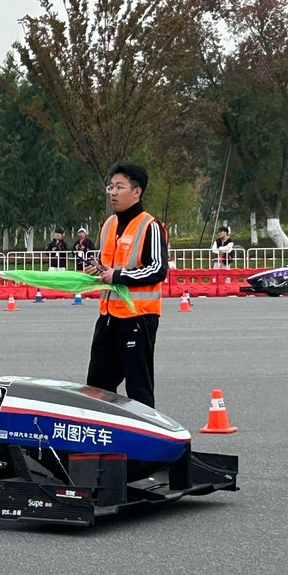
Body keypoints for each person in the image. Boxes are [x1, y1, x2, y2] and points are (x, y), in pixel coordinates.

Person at [86, 162, 169, 409]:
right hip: (108, 316)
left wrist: (118, 276)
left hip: (137, 319)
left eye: (119, 187)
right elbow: (105, 263)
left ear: (137, 192)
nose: (112, 192)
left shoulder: (150, 226)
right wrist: (96, 271)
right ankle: (101, 438)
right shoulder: (109, 224)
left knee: (138, 388)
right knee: (96, 387)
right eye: (111, 186)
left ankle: (146, 442)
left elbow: (158, 269)